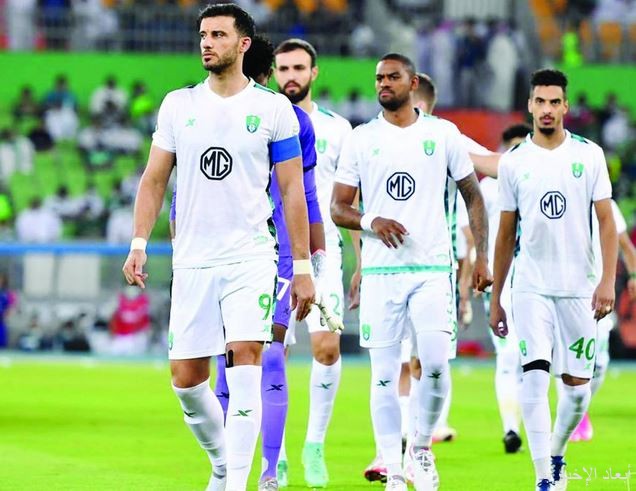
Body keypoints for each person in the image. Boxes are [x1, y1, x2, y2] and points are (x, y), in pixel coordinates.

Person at [121, 5, 315, 491]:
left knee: (246, 359)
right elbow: (154, 179)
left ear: (243, 44)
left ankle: (235, 485)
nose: (207, 42)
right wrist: (139, 241)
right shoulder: (178, 105)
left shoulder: (273, 109)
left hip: (251, 256)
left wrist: (304, 265)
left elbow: (292, 189)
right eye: (203, 34)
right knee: (187, 381)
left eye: (218, 35)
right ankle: (224, 465)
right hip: (192, 259)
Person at [331, 53, 492, 491]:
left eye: (392, 77)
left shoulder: (442, 134)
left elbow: (474, 196)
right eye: (379, 78)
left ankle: (420, 448)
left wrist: (481, 257)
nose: (383, 84)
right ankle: (394, 471)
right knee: (384, 375)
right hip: (382, 273)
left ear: (412, 82)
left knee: (435, 366)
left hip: (433, 269)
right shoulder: (361, 139)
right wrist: (371, 221)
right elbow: (338, 207)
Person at [207, 33, 327, 491]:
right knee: (230, 361)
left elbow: (304, 193)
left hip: (277, 257)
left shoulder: (291, 120)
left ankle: (269, 471)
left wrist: (309, 261)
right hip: (224, 254)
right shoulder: (208, 112)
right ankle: (229, 470)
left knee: (266, 356)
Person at [489, 69, 617, 491]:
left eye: (554, 102)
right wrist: (497, 297)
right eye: (540, 101)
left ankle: (557, 453)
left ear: (565, 106)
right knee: (534, 373)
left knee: (577, 390)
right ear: (530, 105)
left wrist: (606, 281)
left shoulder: (589, 155)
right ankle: (543, 474)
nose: (546, 109)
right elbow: (505, 234)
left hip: (579, 288)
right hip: (530, 287)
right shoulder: (515, 162)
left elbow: (607, 222)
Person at [273, 38, 354, 488]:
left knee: (326, 348)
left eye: (298, 68)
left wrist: (361, 262)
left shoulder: (338, 130)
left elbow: (347, 201)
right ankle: (278, 453)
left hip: (323, 252)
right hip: (272, 251)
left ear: (314, 72)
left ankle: (314, 446)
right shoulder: (265, 119)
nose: (291, 76)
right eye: (283, 68)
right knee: (273, 352)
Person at [480, 123, 531, 454]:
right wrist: (478, 267)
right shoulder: (488, 188)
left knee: (531, 357)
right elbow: (477, 231)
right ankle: (511, 428)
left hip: (533, 279)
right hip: (500, 280)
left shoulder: (538, 180)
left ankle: (526, 426)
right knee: (508, 355)